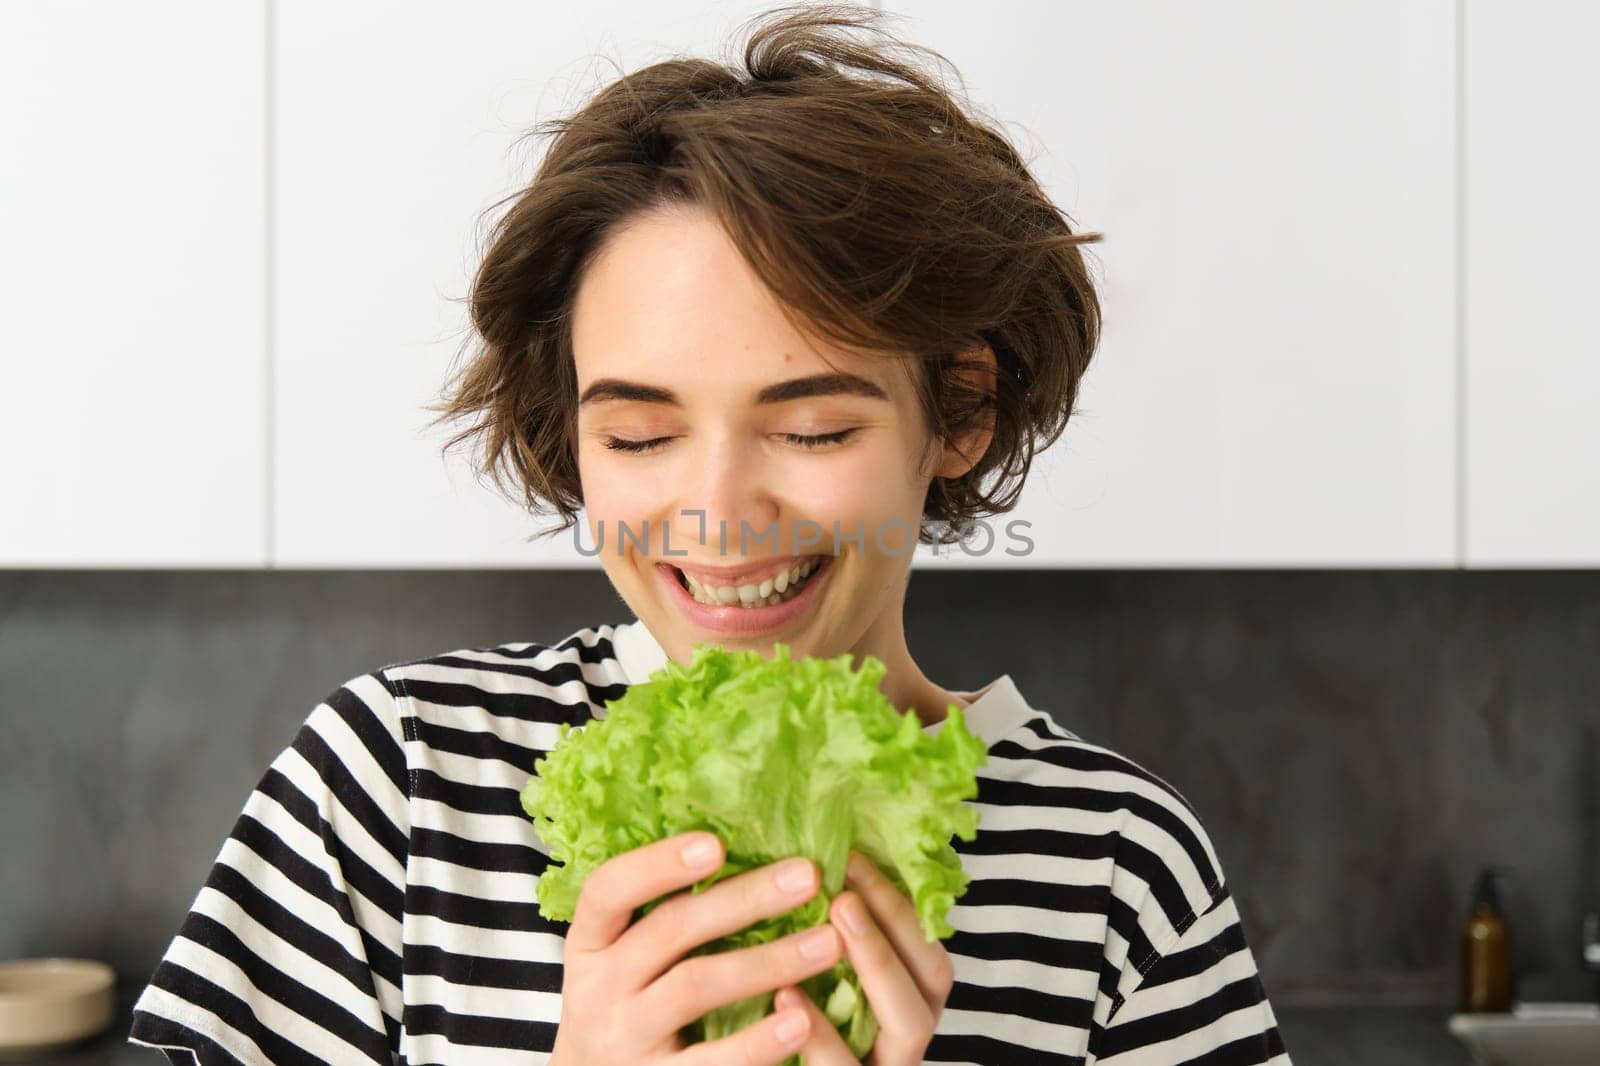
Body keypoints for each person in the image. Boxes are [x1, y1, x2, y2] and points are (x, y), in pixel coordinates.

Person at [130, 4, 1290, 1063]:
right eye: (638, 438)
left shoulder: (1115, 862)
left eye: (815, 428)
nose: (719, 512)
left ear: (962, 410)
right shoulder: (395, 785)